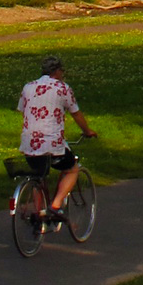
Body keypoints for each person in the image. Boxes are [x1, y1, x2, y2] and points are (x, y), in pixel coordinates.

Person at [15, 58, 92, 218]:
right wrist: (87, 131)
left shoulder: (28, 87)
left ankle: (40, 216)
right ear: (57, 71)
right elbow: (76, 113)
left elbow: (23, 110)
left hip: (29, 143)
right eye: (62, 71)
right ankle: (56, 206)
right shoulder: (63, 88)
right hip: (52, 144)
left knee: (38, 175)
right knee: (72, 168)